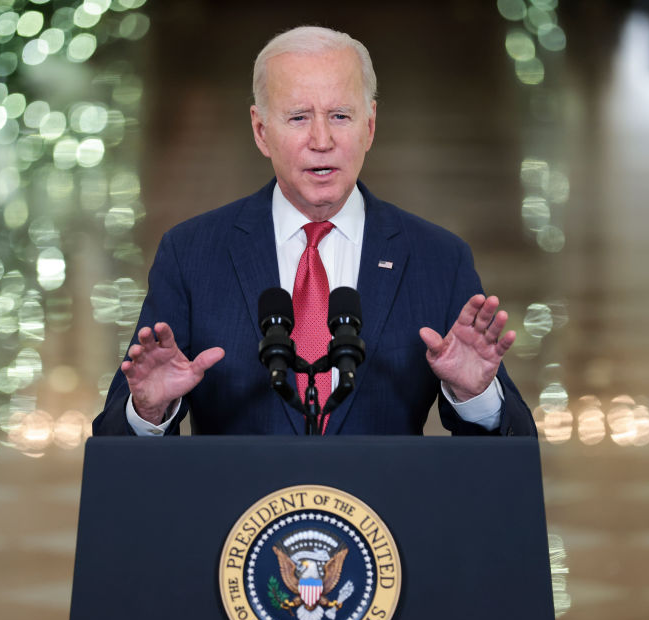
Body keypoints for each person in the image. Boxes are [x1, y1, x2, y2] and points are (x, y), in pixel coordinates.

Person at [93, 26, 536, 437]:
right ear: (261, 131)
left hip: (381, 518)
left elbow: (510, 448)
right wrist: (149, 410)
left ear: (370, 125)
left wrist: (475, 396)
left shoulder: (438, 258)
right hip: (239, 519)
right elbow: (113, 437)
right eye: (299, 117)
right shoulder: (191, 254)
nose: (321, 140)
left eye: (341, 116)